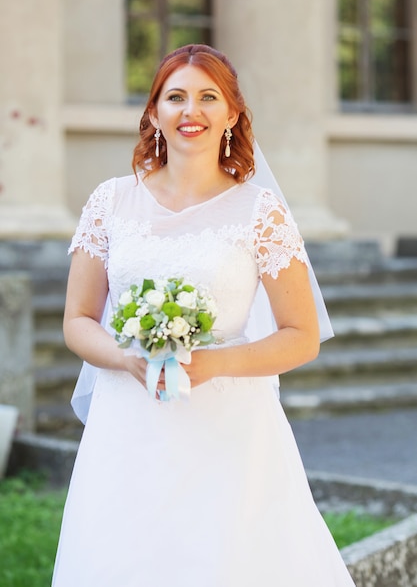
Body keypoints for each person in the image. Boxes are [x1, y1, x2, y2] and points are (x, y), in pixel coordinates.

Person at [52, 44, 355, 586]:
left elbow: (302, 336)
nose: (191, 111)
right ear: (153, 113)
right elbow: (77, 319)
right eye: (176, 97)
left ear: (232, 114)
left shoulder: (260, 212)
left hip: (229, 429)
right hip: (129, 422)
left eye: (207, 97)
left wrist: (213, 364)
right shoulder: (111, 202)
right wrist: (127, 359)